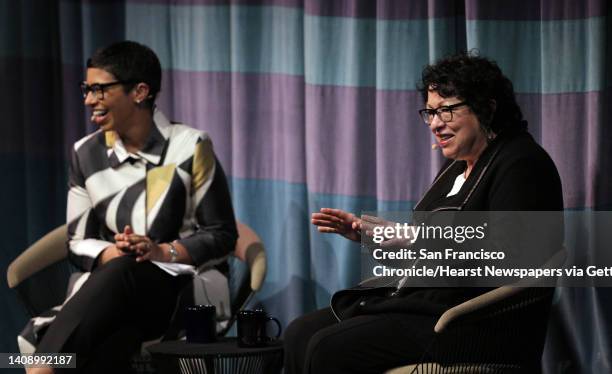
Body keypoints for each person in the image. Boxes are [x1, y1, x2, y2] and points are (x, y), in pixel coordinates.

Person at [283, 52, 563, 373]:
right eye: (429, 113)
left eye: (446, 110)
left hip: (475, 322)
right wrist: (377, 237)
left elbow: (508, 257)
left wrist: (411, 238)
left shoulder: (521, 163)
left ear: (487, 106)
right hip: (427, 304)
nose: (434, 123)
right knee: (299, 333)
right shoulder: (456, 167)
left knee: (326, 348)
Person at [29, 41, 237, 373]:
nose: (88, 100)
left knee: (126, 274)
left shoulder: (190, 146)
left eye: (99, 90)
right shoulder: (86, 152)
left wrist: (160, 252)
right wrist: (114, 253)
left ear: (140, 91)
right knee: (111, 341)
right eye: (86, 89)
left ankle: (43, 363)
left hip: (182, 286)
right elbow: (77, 240)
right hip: (113, 295)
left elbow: (222, 234)